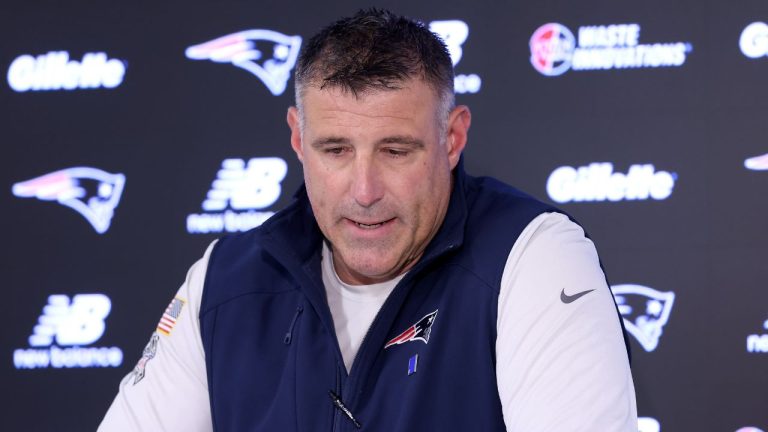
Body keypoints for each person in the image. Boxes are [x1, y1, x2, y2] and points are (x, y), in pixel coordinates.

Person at [99, 8, 637, 431]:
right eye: (335, 150)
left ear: (451, 138)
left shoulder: (534, 257)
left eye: (396, 151)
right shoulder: (224, 280)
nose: (364, 191)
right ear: (297, 138)